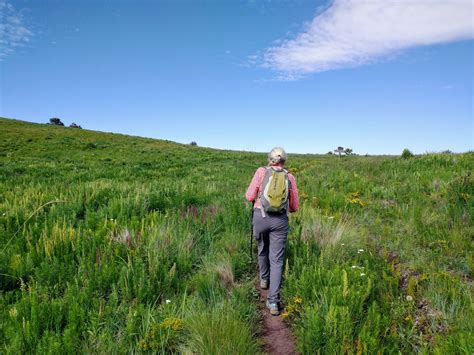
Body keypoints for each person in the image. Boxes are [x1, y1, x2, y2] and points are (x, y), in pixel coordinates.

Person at [245, 147, 299, 316]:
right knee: (277, 260)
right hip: (280, 221)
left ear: (270, 159)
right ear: (284, 160)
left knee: (262, 248)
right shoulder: (289, 176)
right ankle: (274, 302)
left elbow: (249, 196)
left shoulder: (261, 171)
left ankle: (264, 279)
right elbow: (294, 206)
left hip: (260, 216)